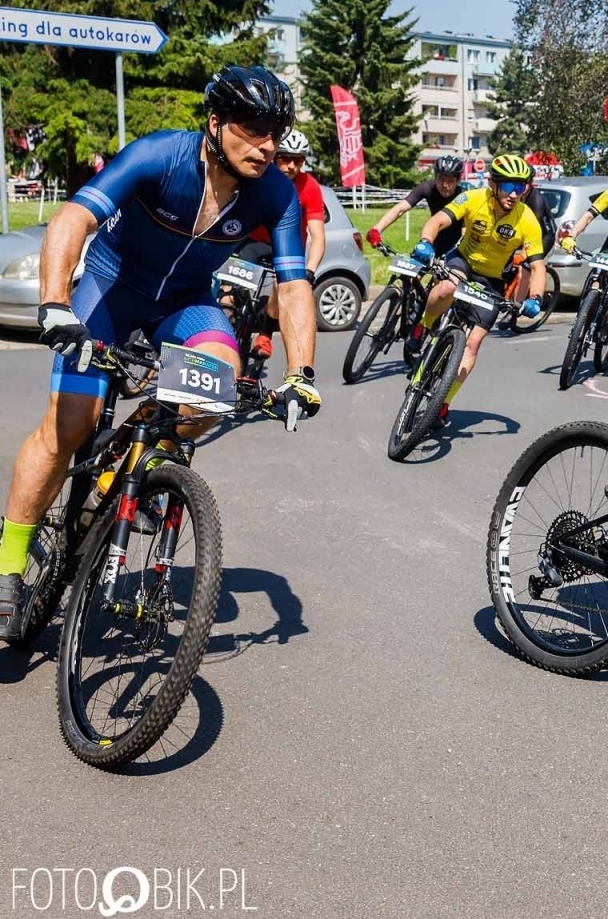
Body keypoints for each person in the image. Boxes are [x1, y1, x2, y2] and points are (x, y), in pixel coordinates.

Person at [0, 65, 321, 636]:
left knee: (214, 391)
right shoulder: (161, 157)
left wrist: (301, 372)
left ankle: (134, 463)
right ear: (216, 123)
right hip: (110, 288)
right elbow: (73, 217)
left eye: (276, 131)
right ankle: (7, 563)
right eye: (253, 128)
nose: (268, 145)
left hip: (185, 303)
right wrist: (55, 304)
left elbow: (294, 283)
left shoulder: (275, 192)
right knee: (70, 423)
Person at [408, 154, 547, 426]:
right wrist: (426, 242)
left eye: (521, 188)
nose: (515, 194)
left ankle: (443, 403)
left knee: (472, 344)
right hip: (463, 262)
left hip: (492, 280)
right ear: (493, 184)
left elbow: (538, 266)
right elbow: (437, 221)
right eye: (508, 186)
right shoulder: (474, 199)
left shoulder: (527, 219)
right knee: (448, 286)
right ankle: (423, 326)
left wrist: (536, 298)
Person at [241, 129, 328, 365]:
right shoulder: (258, 175)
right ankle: (228, 317)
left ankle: (265, 335)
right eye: (285, 158)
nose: (291, 166)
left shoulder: (309, 186)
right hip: (254, 241)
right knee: (230, 287)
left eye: (297, 161)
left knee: (283, 285)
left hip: (286, 246)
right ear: (275, 156)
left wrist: (309, 270)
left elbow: (318, 236)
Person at [367, 155, 466, 255]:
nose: (445, 185)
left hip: (458, 245)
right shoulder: (427, 188)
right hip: (433, 240)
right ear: (435, 177)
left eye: (450, 181)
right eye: (441, 179)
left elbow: (465, 228)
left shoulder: (464, 196)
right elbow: (400, 208)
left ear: (458, 181)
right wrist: (377, 229)